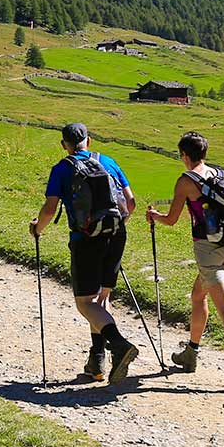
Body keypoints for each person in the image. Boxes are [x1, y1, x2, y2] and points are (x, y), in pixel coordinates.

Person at [146, 131, 224, 391]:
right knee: (198, 296)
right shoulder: (220, 174)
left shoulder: (186, 181)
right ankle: (191, 353)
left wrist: (154, 216)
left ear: (185, 155)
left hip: (208, 250)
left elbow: (172, 219)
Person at [32, 122, 139, 383]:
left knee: (85, 303)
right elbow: (131, 202)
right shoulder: (108, 161)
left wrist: (38, 229)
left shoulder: (62, 168)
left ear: (64, 145)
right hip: (116, 234)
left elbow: (49, 209)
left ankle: (118, 344)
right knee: (101, 299)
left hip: (86, 239)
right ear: (88, 141)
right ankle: (97, 360)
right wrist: (113, 229)